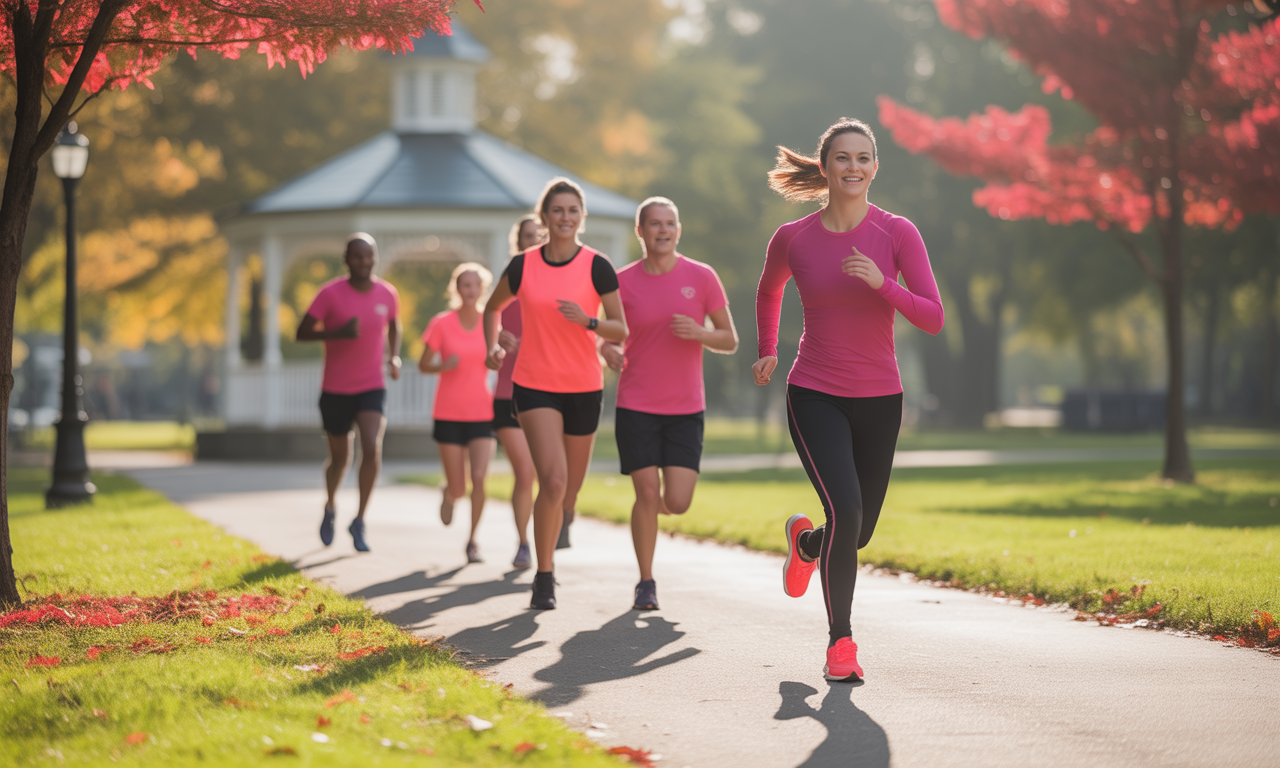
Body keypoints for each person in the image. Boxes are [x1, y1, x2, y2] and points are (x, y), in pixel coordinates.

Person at [754, 119, 944, 681]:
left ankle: (807, 542)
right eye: (843, 158)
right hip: (814, 391)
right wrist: (768, 346)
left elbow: (933, 317)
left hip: (881, 397)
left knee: (855, 531)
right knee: (847, 510)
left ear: (875, 167)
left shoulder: (897, 233)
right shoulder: (794, 237)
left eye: (864, 158)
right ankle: (842, 646)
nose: (854, 168)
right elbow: (769, 288)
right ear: (826, 166)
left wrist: (882, 284)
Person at [483, 177, 628, 610]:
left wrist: (588, 321)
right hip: (533, 384)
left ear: (581, 217)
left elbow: (620, 327)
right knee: (553, 479)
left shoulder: (597, 265)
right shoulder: (523, 266)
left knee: (569, 491)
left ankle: (566, 514)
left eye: (572, 211)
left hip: (584, 386)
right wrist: (493, 344)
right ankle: (544, 576)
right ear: (545, 217)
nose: (565, 218)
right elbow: (492, 308)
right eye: (557, 211)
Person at [602, 197, 738, 612]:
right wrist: (604, 348)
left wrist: (699, 332)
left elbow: (730, 339)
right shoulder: (621, 282)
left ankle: (653, 514)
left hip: (685, 407)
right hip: (636, 402)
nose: (663, 230)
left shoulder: (701, 276)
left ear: (679, 230)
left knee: (676, 502)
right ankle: (646, 582)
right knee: (646, 493)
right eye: (654, 224)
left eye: (670, 224)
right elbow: (605, 333)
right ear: (640, 232)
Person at [296, 232, 402, 552]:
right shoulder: (330, 294)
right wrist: (337, 332)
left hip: (371, 385)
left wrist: (393, 355)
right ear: (346, 260)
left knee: (371, 447)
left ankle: (359, 520)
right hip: (335, 389)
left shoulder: (387, 293)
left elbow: (394, 325)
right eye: (357, 256)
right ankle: (330, 506)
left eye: (369, 255)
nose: (364, 261)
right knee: (339, 459)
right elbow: (301, 332)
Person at [419, 262, 498, 564]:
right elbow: (424, 365)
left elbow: (496, 357)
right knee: (459, 485)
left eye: (475, 285)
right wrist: (443, 366)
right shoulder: (442, 323)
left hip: (482, 411)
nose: (470, 290)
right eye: (465, 285)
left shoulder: (491, 321)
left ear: (482, 289)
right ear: (457, 289)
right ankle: (449, 492)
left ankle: (473, 540)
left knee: (479, 478)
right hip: (448, 412)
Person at [491, 215, 548, 570]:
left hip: (548, 390)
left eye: (537, 236)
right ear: (518, 241)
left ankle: (554, 527)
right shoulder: (509, 282)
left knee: (550, 474)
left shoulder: (557, 282)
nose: (532, 241)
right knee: (525, 472)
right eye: (527, 236)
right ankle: (524, 542)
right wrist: (497, 338)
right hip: (507, 391)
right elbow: (488, 319)